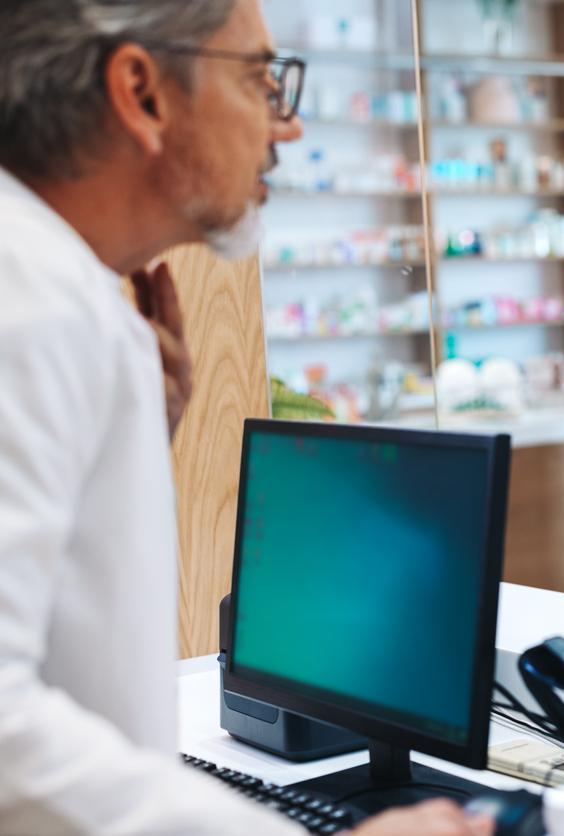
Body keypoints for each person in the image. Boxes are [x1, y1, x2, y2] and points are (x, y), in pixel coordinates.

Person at [0, 1, 491, 833]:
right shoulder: (32, 306)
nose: (285, 128)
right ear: (142, 93)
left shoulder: (72, 297)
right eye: (262, 81)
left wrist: (119, 463)